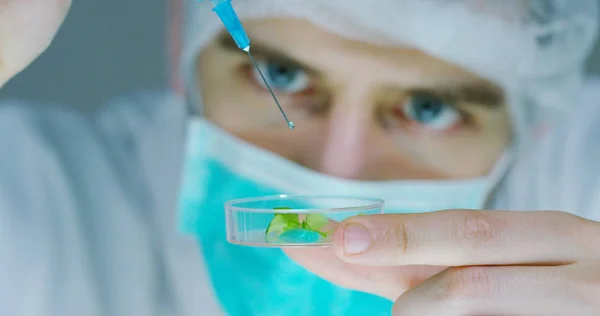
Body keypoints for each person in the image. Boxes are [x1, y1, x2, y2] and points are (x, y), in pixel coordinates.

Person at [1, 0, 599, 315]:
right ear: (182, 53)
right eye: (281, 76)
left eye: (428, 109)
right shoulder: (48, 212)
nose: (332, 177)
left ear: (537, 125)